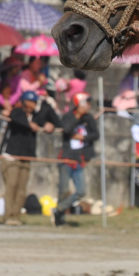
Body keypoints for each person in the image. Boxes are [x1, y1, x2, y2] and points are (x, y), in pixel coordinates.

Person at [1, 91, 53, 225]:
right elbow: (19, 120)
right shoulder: (17, 112)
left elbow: (50, 122)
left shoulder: (36, 116)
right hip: (11, 156)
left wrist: (48, 125)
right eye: (32, 101)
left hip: (26, 156)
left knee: (22, 188)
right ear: (25, 102)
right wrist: (30, 125)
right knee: (11, 185)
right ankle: (8, 216)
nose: (34, 104)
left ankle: (16, 216)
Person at [52, 92, 98, 226]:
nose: (88, 106)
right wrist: (77, 116)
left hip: (80, 160)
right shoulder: (68, 116)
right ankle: (59, 220)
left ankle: (59, 209)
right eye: (86, 103)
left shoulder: (89, 118)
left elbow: (96, 134)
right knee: (63, 191)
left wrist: (83, 138)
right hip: (66, 159)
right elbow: (66, 130)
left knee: (81, 191)